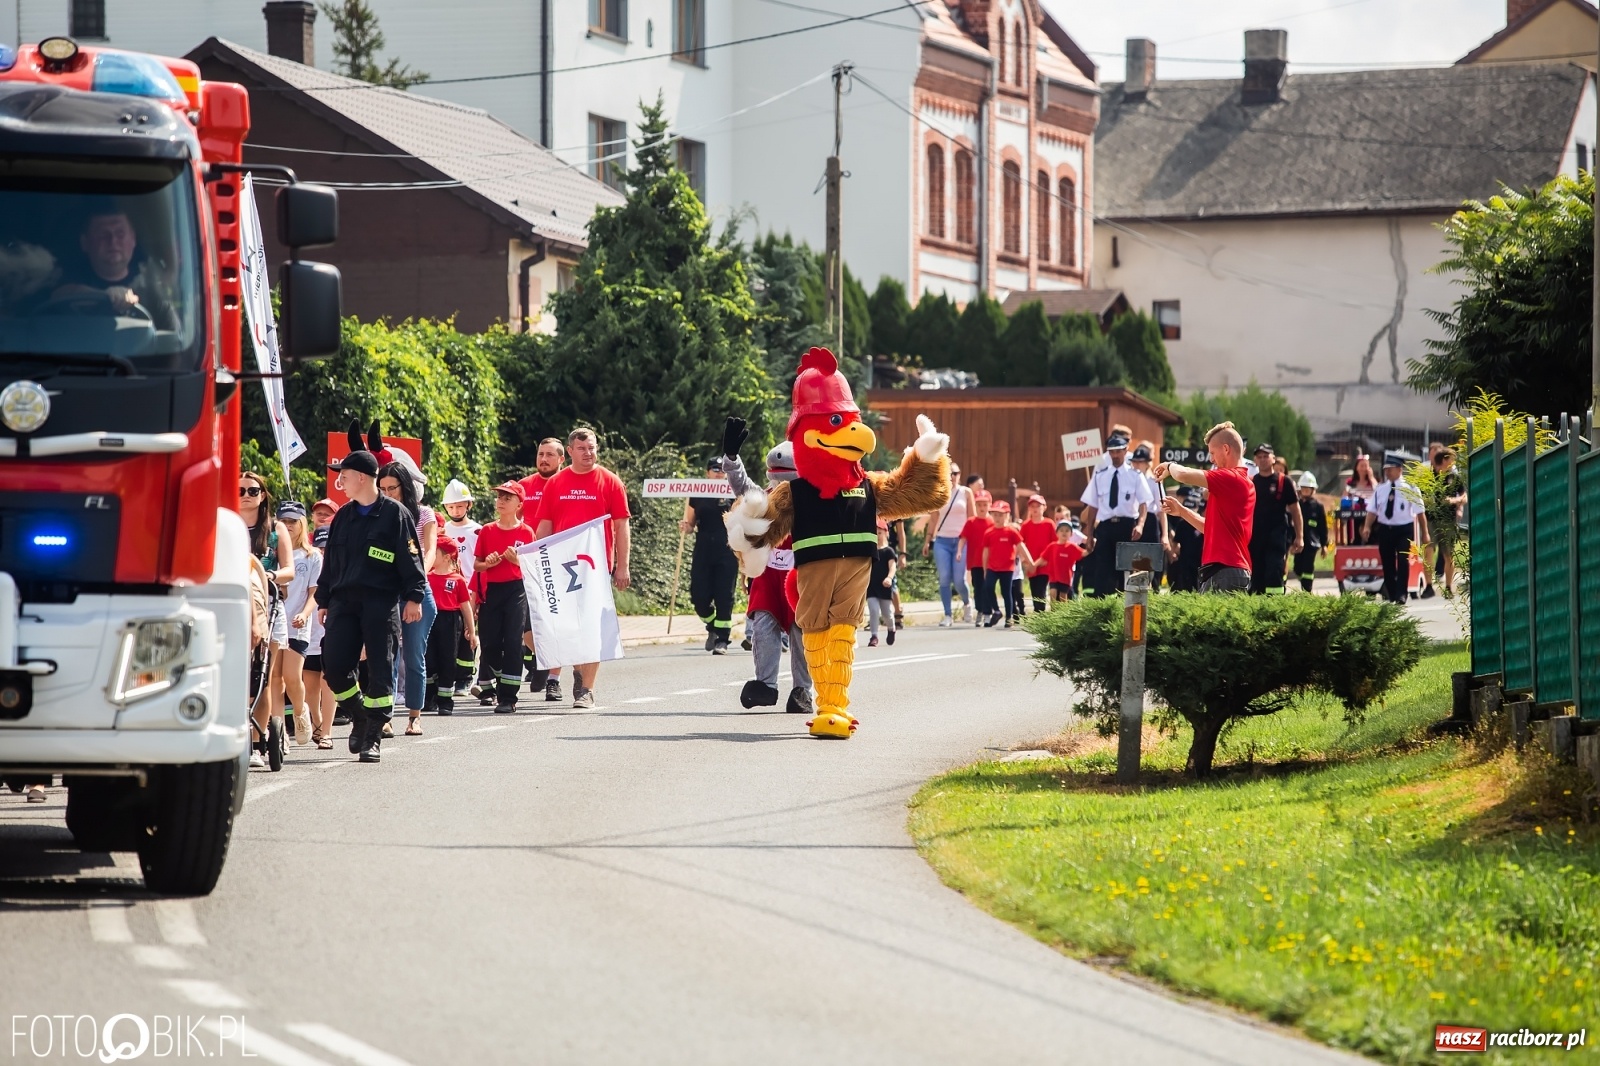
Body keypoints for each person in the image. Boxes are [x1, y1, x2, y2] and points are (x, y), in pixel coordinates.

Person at [316, 447, 427, 764]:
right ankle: (359, 715)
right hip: (342, 602)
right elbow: (330, 564)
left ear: (362, 478)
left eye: (345, 477)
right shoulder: (343, 517)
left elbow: (411, 558)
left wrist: (414, 596)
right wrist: (323, 599)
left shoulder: (395, 514)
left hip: (380, 602)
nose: (341, 482)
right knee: (335, 667)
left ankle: (374, 736)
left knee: (380, 670)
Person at [532, 428, 632, 710]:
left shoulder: (610, 482)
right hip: (561, 567)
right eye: (583, 449)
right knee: (563, 628)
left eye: (592, 448)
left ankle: (586, 689)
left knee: (591, 630)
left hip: (595, 568)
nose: (589, 453)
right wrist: (537, 561)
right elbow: (545, 527)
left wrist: (622, 567)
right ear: (570, 451)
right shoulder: (556, 484)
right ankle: (578, 667)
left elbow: (622, 526)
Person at [1153, 421, 1255, 593]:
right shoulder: (1237, 481)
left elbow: (1184, 475)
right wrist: (1182, 511)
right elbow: (1210, 528)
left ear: (1226, 449)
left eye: (1213, 453)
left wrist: (1170, 465)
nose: (1211, 459)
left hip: (1226, 569)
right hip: (1226, 569)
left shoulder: (1231, 477)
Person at [379, 462, 437, 736]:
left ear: (406, 486)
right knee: (387, 655)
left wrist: (415, 580)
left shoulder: (424, 514)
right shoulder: (378, 514)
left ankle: (415, 716)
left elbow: (431, 553)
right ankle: (385, 716)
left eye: (393, 488)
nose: (388, 493)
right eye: (382, 489)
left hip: (418, 591)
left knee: (413, 656)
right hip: (388, 592)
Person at [239, 472, 291, 767]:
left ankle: (259, 744)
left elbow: (289, 570)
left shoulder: (275, 529)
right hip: (235, 603)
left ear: (262, 495)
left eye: (252, 490)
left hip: (268, 603)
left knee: (265, 674)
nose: (246, 494)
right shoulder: (226, 527)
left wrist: (264, 575)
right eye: (240, 490)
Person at [53, 206, 178, 330]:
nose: (113, 241)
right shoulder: (67, 279)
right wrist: (106, 297)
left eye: (120, 234)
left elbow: (174, 340)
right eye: (103, 235)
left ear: (133, 239)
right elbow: (59, 296)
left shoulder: (150, 290)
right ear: (85, 243)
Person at [474, 482, 536, 711]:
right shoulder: (488, 530)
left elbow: (533, 567)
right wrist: (487, 563)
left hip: (516, 590)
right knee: (489, 645)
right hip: (493, 591)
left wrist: (516, 561)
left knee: (512, 641)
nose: (501, 501)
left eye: (507, 498)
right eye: (499, 496)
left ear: (519, 504)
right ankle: (502, 680)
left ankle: (508, 698)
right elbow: (477, 565)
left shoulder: (526, 532)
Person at [519, 438, 569, 699]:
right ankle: (542, 657)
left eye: (550, 455)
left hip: (560, 565)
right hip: (528, 566)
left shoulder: (568, 486)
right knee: (527, 630)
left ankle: (553, 679)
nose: (544, 459)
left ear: (561, 459)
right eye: (541, 454)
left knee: (555, 626)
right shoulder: (524, 486)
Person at [1078, 434, 1151, 596]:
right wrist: (1089, 534)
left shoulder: (1135, 476)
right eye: (1112, 452)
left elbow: (1143, 503)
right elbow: (1093, 506)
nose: (1115, 455)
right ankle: (1102, 608)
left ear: (1125, 451)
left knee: (1124, 569)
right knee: (1102, 570)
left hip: (1126, 526)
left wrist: (1140, 524)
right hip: (1105, 526)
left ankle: (1123, 607)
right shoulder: (1100, 476)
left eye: (1118, 451)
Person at [682, 458, 738, 654]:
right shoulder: (697, 493)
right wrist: (686, 527)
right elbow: (690, 524)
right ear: (707, 472)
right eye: (715, 469)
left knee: (724, 595)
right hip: (704, 549)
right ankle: (713, 626)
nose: (719, 473)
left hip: (728, 548)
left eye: (722, 470)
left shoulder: (733, 491)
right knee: (698, 596)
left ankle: (722, 639)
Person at [279, 503, 322, 747]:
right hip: (274, 623)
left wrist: (306, 614)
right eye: (283, 521)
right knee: (274, 680)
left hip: (297, 623)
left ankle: (300, 712)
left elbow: (314, 591)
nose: (288, 526)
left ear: (302, 524)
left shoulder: (311, 555)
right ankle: (279, 732)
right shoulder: (272, 553)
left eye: (293, 521)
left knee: (291, 677)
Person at [1364, 453, 1428, 604]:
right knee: (1387, 562)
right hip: (1386, 529)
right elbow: (1372, 511)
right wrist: (1367, 526)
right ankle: (1392, 594)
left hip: (1404, 529)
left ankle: (1401, 594)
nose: (1388, 472)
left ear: (1399, 470)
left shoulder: (1411, 488)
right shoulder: (1380, 489)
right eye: (1386, 469)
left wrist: (1425, 533)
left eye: (1391, 469)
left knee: (1402, 560)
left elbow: (1420, 512)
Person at [439, 479, 482, 697]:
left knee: (468, 632)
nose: (455, 510)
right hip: (447, 590)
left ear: (468, 505)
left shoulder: (478, 531)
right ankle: (448, 676)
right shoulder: (442, 531)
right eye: (451, 506)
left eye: (460, 505)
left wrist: (477, 593)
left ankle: (465, 678)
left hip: (470, 589)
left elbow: (480, 564)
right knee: (449, 633)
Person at [424, 538, 475, 715]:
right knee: (428, 659)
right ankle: (429, 698)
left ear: (446, 557)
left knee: (447, 659)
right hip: (430, 619)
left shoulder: (457, 580)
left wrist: (472, 630)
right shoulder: (426, 577)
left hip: (450, 620)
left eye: (434, 553)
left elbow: (465, 606)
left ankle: (445, 700)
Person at [1247, 443, 1303, 595]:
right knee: (1256, 576)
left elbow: (1295, 510)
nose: (1263, 459)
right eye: (1260, 457)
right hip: (1255, 539)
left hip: (1277, 538)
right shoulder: (1250, 483)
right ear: (1255, 460)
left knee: (1274, 573)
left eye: (1266, 456)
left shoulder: (1284, 482)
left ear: (1273, 459)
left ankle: (1275, 608)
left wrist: (1299, 537)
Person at [923, 462, 975, 626]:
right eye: (950, 473)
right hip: (942, 540)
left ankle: (967, 603)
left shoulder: (966, 492)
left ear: (960, 475)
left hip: (961, 541)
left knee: (959, 580)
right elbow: (933, 518)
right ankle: (948, 615)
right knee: (944, 578)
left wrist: (973, 540)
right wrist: (927, 540)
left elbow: (972, 518)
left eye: (956, 473)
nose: (952, 476)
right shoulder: (939, 493)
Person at [981, 501, 1034, 628]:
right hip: (992, 567)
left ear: (1007, 515)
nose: (997, 518)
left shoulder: (1011, 532)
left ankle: (1009, 617)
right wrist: (985, 569)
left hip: (1007, 568)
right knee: (988, 587)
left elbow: (1021, 547)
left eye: (1000, 515)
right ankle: (997, 611)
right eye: (995, 515)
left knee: (1006, 592)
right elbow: (985, 552)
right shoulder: (989, 533)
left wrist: (1030, 562)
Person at [1424, 448, 1466, 598]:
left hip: (1448, 520)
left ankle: (1448, 587)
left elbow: (1464, 496)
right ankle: (1428, 585)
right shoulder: (1429, 477)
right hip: (1430, 519)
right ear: (1444, 460)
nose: (1453, 463)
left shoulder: (1454, 477)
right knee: (1428, 550)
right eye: (1451, 459)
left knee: (1448, 554)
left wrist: (1454, 501)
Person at [1129, 443, 1171, 581]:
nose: (1136, 465)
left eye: (1140, 462)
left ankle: (1155, 586)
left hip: (1151, 521)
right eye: (1134, 462)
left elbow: (1161, 509)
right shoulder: (1129, 478)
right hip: (1134, 519)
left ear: (1147, 463)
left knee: (1152, 559)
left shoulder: (1154, 481)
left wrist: (1165, 535)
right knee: (1133, 559)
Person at [959, 491, 994, 626]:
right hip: (975, 561)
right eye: (979, 504)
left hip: (990, 562)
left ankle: (987, 612)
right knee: (977, 587)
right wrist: (959, 551)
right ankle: (979, 610)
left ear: (989, 505)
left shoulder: (992, 522)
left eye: (984, 504)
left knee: (987, 587)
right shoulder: (971, 522)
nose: (982, 507)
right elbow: (963, 538)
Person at [1018, 493, 1055, 613]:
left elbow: (1054, 544)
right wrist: (1025, 561)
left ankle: (1041, 611)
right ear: (1029, 508)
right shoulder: (1026, 525)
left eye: (1038, 506)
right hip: (1031, 563)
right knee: (1034, 588)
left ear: (1044, 507)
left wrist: (1047, 559)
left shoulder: (1049, 524)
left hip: (1044, 563)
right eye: (1032, 506)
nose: (1035, 509)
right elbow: (1020, 543)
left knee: (1042, 587)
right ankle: (1038, 610)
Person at [1033, 521, 1086, 604]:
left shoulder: (1072, 547)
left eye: (1067, 531)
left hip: (1066, 578)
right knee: (1053, 593)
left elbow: (1083, 553)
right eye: (1061, 530)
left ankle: (1062, 613)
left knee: (1062, 597)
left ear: (1071, 534)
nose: (1064, 533)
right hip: (1053, 576)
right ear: (1057, 533)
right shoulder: (1052, 546)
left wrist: (1092, 546)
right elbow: (1043, 558)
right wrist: (1034, 565)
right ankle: (1053, 612)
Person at [1291, 472, 1328, 592]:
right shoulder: (1296, 505)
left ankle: (1307, 591)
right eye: (1303, 488)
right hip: (1298, 542)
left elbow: (1323, 527)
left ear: (1313, 490)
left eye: (1308, 488)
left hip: (1312, 544)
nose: (1305, 491)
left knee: (1308, 568)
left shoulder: (1318, 507)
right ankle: (1304, 583)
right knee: (1297, 568)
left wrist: (1324, 545)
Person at [1165, 486, 1206, 591]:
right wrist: (1174, 552)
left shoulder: (1198, 523)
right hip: (1187, 560)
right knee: (1188, 585)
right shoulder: (1183, 524)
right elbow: (1175, 542)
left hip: (1197, 559)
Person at [866, 521, 898, 647]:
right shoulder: (870, 551)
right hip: (871, 586)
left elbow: (893, 567)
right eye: (875, 533)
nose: (877, 535)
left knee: (887, 613)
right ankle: (874, 636)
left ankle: (891, 628)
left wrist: (889, 578)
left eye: (879, 533)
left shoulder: (888, 551)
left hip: (884, 586)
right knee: (873, 610)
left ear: (886, 533)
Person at [1344, 453, 1378, 544]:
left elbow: (1378, 492)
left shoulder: (1372, 482)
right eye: (1361, 466)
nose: (1363, 468)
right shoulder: (1350, 482)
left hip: (1370, 512)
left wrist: (1371, 477)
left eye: (1366, 466)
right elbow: (1345, 497)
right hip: (1355, 513)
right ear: (1356, 467)